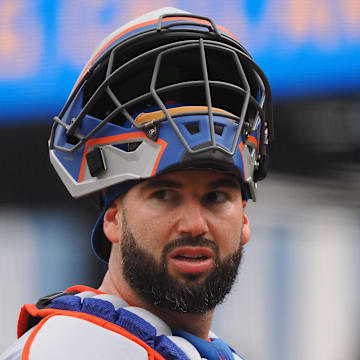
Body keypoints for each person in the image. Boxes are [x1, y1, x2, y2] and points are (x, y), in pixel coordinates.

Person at [0, 7, 273, 360]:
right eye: (165, 195)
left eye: (216, 197)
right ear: (112, 218)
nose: (194, 224)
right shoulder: (66, 349)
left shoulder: (208, 351)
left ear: (244, 218)